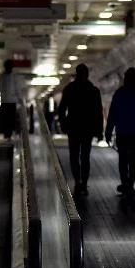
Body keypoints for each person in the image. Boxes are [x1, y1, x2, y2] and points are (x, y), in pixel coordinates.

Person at [104, 67, 135, 198]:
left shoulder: (119, 93)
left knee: (123, 159)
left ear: (126, 78)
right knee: (133, 160)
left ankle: (125, 184)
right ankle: (130, 185)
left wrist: (108, 132)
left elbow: (112, 114)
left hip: (123, 132)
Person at [57, 64, 103, 196]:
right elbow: (98, 113)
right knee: (85, 157)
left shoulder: (69, 89)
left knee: (74, 156)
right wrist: (99, 131)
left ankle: (78, 181)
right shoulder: (93, 90)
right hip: (87, 128)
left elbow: (61, 109)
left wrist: (63, 124)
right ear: (87, 74)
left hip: (74, 128)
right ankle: (84, 183)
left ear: (76, 74)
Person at [0, 59, 22, 139]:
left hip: (11, 101)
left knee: (10, 119)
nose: (9, 68)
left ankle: (9, 134)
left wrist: (20, 98)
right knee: (5, 119)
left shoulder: (14, 77)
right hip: (4, 101)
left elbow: (17, 89)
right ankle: (7, 134)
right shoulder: (1, 76)